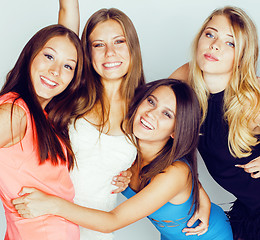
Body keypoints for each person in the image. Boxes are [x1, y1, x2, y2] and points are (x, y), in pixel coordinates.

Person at [12, 79, 233, 239]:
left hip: (208, 235)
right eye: (151, 102)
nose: (151, 114)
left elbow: (112, 222)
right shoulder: (128, 148)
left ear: (177, 131)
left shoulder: (174, 173)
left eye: (167, 114)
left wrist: (51, 204)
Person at [169, 6, 260, 240]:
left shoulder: (252, 97)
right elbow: (147, 116)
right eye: (210, 34)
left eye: (230, 43)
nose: (215, 45)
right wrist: (198, 194)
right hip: (249, 211)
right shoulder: (186, 77)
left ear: (242, 57)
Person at [57, 1, 145, 239]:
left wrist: (130, 173)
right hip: (46, 221)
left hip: (96, 231)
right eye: (98, 45)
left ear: (132, 48)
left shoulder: (146, 108)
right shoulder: (71, 89)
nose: (110, 53)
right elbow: (67, 13)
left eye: (119, 41)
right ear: (86, 51)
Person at [0, 24, 84, 239]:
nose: (55, 71)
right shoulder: (15, 112)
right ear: (30, 54)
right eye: (49, 56)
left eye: (68, 66)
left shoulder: (45, 117)